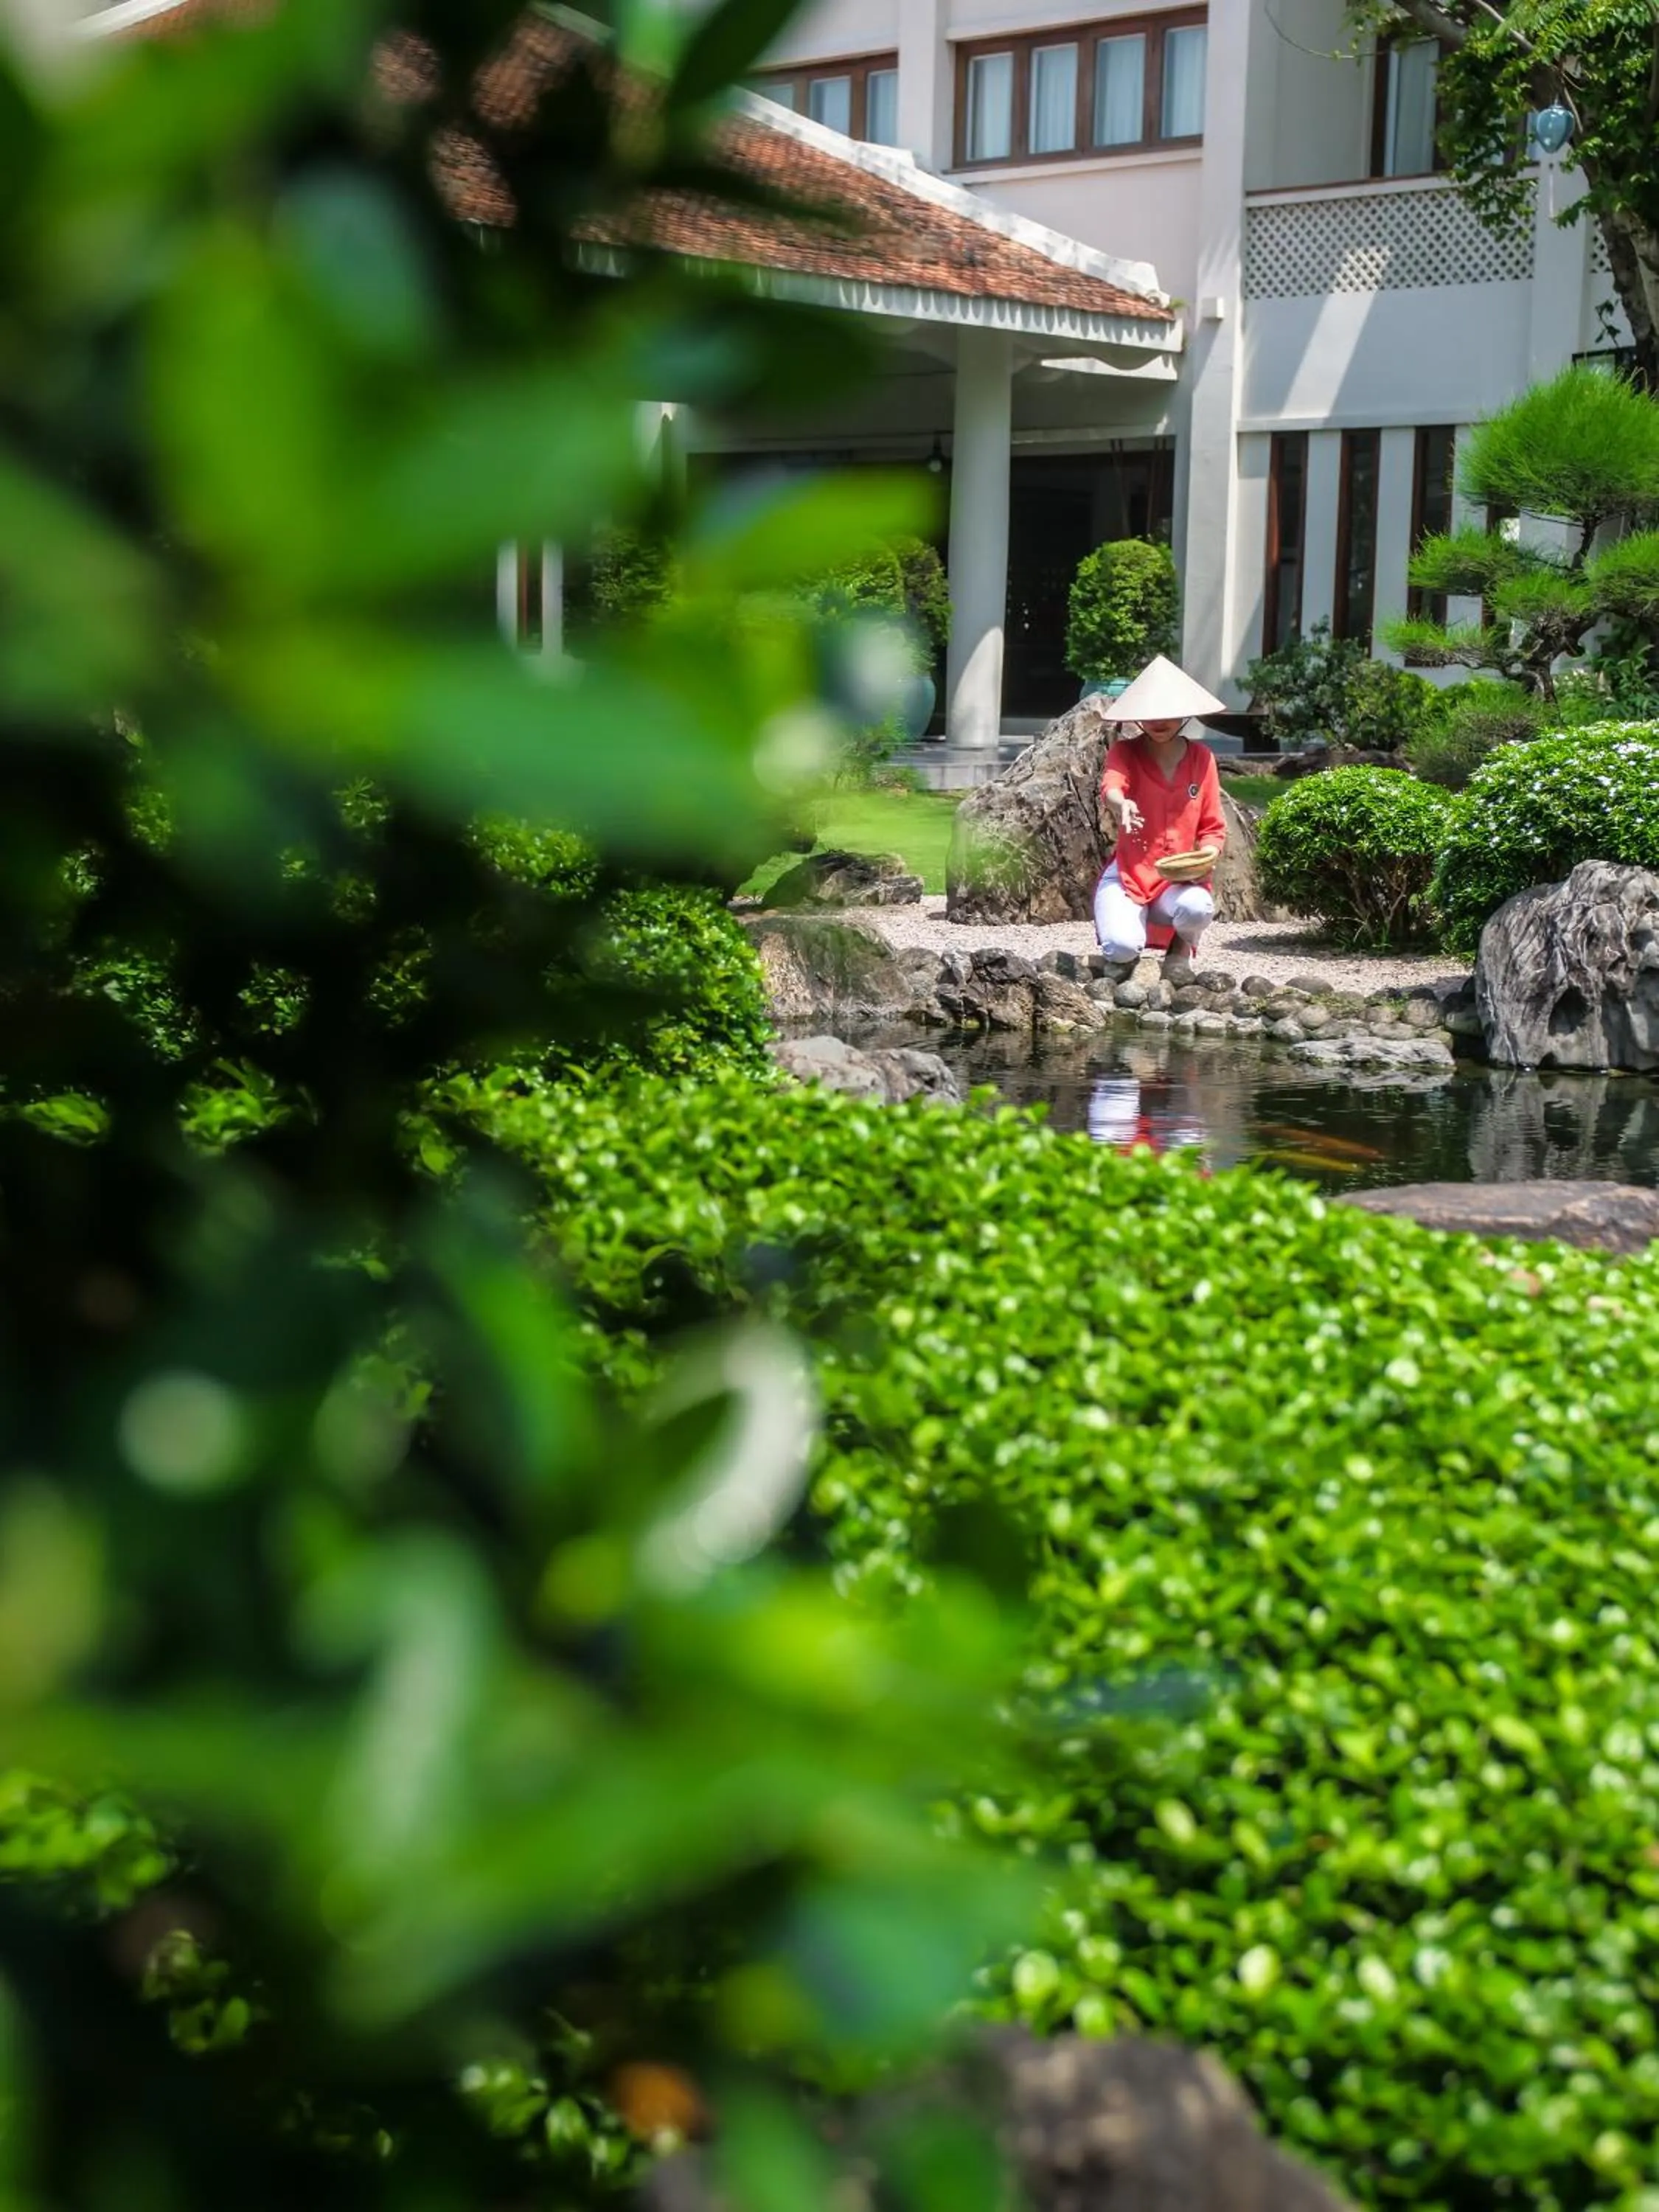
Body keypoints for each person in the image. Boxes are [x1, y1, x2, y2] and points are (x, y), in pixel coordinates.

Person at [1092, 654, 1228, 984]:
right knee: (1122, 948)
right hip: (1130, 875)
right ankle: (1125, 939)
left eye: (1168, 711)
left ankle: (1179, 954)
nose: (1159, 720)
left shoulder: (1202, 758)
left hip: (1178, 882)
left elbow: (1213, 827)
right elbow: (1112, 786)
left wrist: (1209, 854)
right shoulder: (1126, 752)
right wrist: (1121, 804)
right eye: (1150, 712)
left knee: (1198, 908)